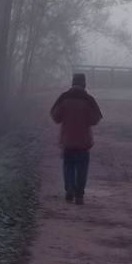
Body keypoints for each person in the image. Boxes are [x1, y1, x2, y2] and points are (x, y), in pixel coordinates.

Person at [50, 72, 103, 205]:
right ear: (84, 83)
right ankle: (79, 195)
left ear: (72, 82)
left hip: (67, 140)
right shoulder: (88, 99)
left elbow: (55, 117)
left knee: (68, 166)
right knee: (82, 169)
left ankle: (69, 189)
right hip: (84, 142)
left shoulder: (64, 97)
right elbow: (96, 119)